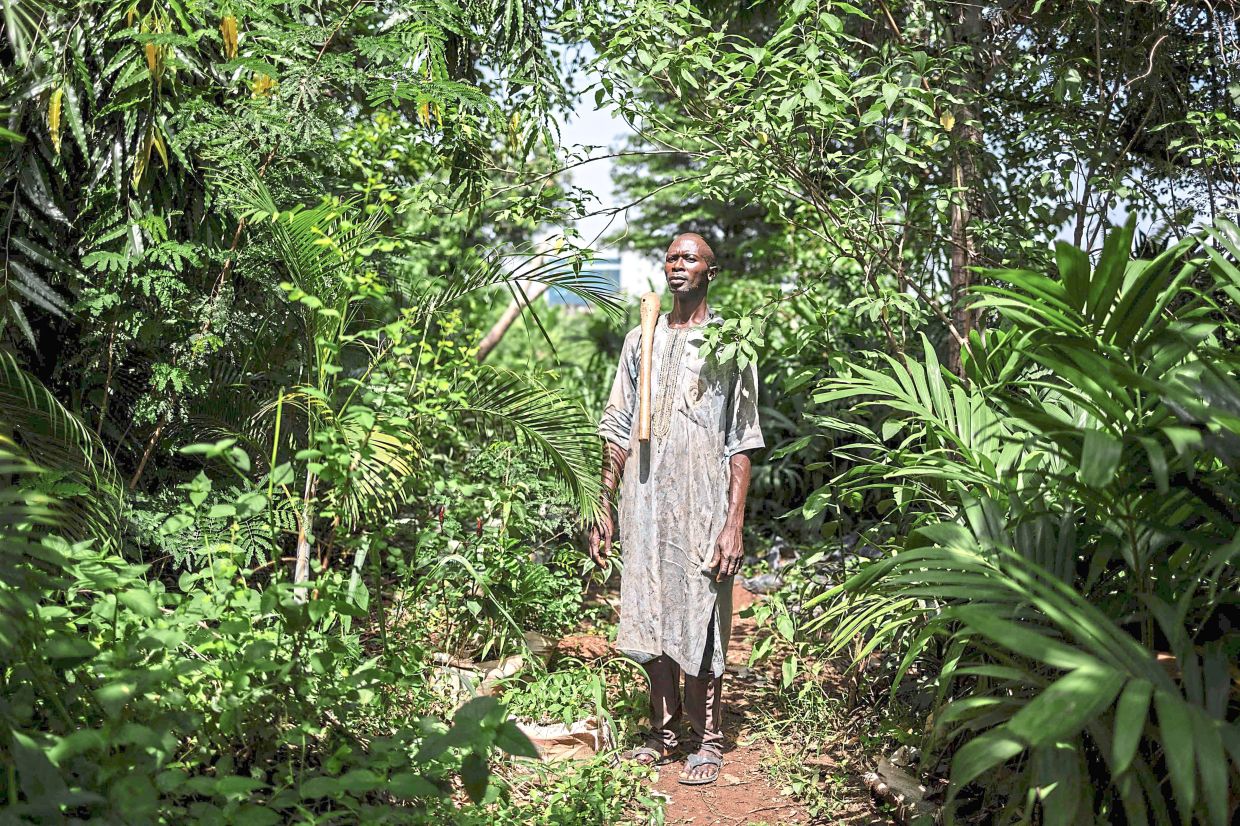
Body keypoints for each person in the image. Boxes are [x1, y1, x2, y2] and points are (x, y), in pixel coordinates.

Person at [589, 233, 763, 785]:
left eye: (689, 258)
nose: (676, 266)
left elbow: (742, 439)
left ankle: (707, 738)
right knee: (649, 608)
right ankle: (662, 733)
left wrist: (733, 523)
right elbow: (617, 427)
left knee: (702, 611)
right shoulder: (641, 339)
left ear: (712, 272)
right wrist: (604, 503)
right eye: (670, 258)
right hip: (644, 501)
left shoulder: (730, 343)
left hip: (702, 504)